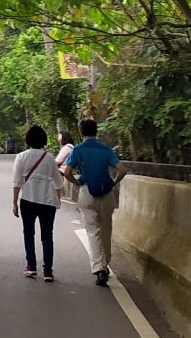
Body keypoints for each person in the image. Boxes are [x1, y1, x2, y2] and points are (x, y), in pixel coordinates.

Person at [60, 118, 123, 285]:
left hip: (87, 191)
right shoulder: (106, 149)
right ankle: (106, 263)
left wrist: (77, 183)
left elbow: (67, 172)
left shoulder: (78, 150)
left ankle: (99, 269)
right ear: (96, 131)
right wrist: (113, 182)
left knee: (92, 230)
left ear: (81, 132)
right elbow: (122, 170)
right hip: (107, 192)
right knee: (106, 229)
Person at [10, 124, 61, 281]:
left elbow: (17, 182)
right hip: (47, 201)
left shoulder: (21, 157)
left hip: (28, 199)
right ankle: (48, 271)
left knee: (28, 233)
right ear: (44, 141)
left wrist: (14, 202)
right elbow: (59, 183)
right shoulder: (50, 158)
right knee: (47, 236)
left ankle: (31, 266)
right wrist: (57, 200)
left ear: (28, 140)